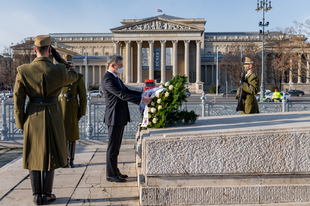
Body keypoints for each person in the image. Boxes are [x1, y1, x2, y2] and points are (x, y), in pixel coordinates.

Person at [14, 35, 78, 205]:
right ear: (50, 50)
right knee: (50, 153)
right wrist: (60, 60)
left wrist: (21, 123)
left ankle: (36, 195)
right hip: (53, 114)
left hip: (32, 115)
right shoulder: (59, 71)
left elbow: (18, 101)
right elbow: (75, 76)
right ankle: (47, 194)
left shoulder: (23, 70)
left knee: (33, 153)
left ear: (34, 50)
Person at [101, 54, 152, 182]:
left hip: (119, 116)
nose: (122, 68)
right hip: (114, 117)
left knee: (116, 147)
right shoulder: (108, 79)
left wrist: (143, 93)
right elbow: (122, 95)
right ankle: (110, 174)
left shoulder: (115, 78)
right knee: (112, 147)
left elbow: (127, 90)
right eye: (120, 66)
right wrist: (142, 100)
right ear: (113, 65)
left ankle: (114, 171)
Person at [59, 61, 87, 168]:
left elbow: (83, 97)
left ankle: (71, 159)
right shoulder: (59, 77)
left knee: (71, 136)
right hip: (59, 109)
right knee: (61, 137)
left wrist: (81, 112)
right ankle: (63, 159)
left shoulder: (78, 77)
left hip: (72, 110)